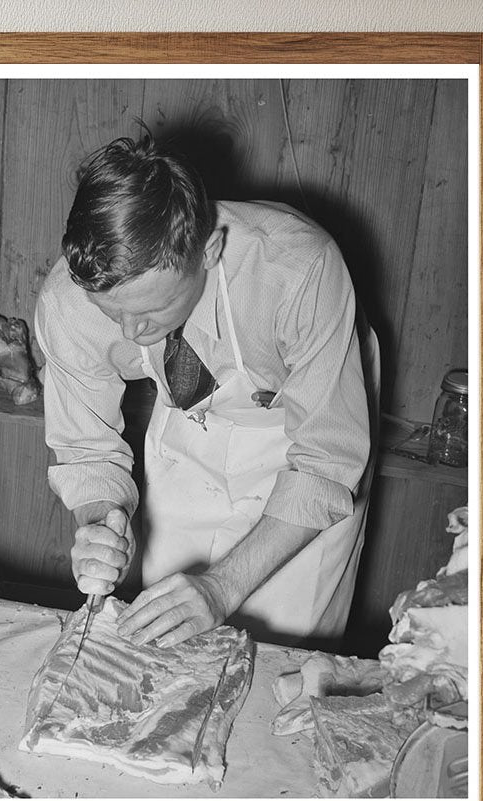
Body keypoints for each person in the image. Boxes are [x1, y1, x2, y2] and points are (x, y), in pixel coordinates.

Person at [34, 134, 378, 650]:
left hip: (303, 433)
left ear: (209, 249)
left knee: (282, 648)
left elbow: (326, 464)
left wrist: (221, 588)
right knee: (166, 632)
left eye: (149, 312)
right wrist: (102, 522)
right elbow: (86, 450)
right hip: (187, 421)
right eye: (112, 312)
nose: (128, 333)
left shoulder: (298, 270)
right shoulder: (69, 302)